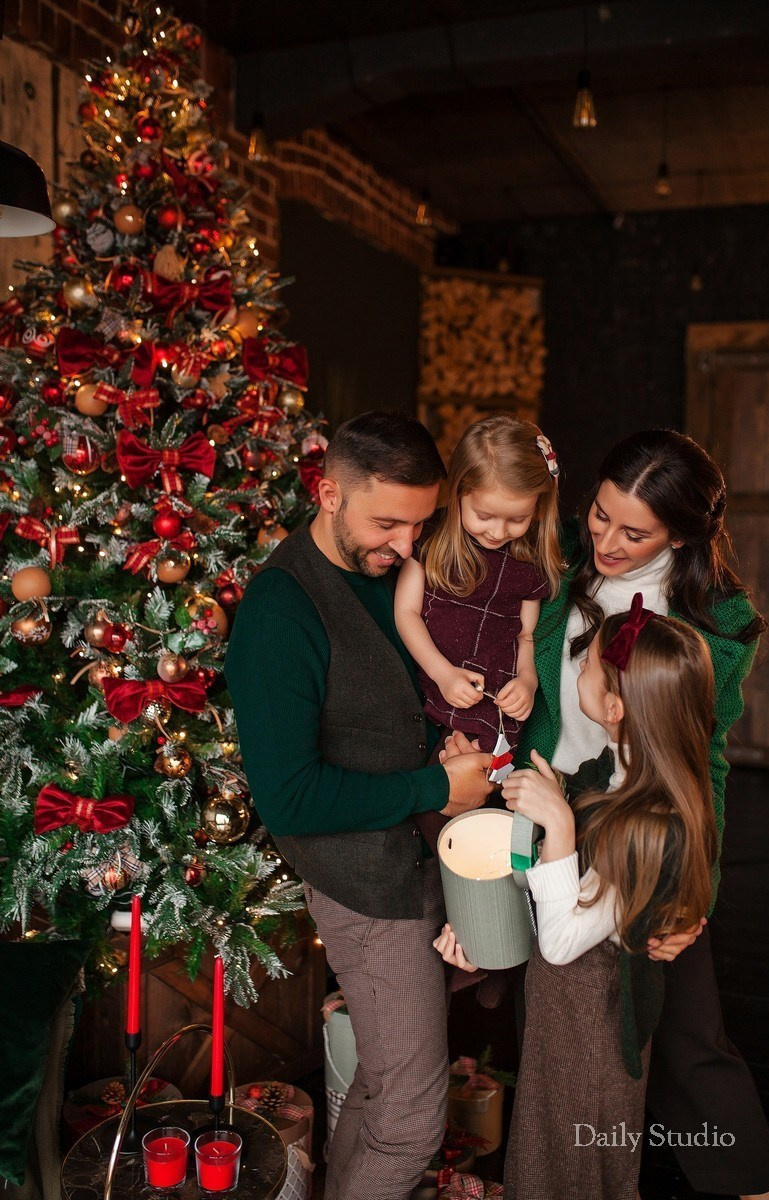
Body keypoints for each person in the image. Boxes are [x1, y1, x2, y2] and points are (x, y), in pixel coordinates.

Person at [225, 410, 494, 1200]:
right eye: (388, 523)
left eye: (421, 523)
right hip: (368, 892)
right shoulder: (281, 613)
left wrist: (441, 751)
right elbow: (290, 798)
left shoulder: (393, 573)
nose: (408, 548)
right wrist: (436, 787)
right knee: (411, 1117)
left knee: (382, 1088)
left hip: (424, 868)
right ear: (328, 491)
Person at [513, 429, 769, 1199]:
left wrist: (696, 888)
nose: (607, 540)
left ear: (681, 534)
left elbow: (709, 764)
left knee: (688, 1032)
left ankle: (753, 1186)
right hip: (554, 806)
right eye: (600, 516)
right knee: (559, 1019)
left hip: (648, 831)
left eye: (634, 533)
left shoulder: (714, 624)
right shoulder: (557, 559)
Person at [437, 595, 719, 1199]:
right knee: (546, 1143)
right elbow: (561, 851)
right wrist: (494, 775)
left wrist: (560, 827)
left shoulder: (649, 825)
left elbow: (564, 941)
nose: (577, 673)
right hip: (560, 1015)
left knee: (574, 1163)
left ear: (612, 706)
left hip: (593, 1031)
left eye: (585, 665)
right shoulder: (615, 770)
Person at [395, 415, 561, 755]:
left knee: (479, 786)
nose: (498, 533)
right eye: (484, 516)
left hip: (488, 703)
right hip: (424, 684)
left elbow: (526, 635)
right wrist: (442, 674)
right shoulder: (433, 539)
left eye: (517, 519)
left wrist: (527, 682)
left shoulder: (529, 561)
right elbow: (406, 613)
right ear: (458, 493)